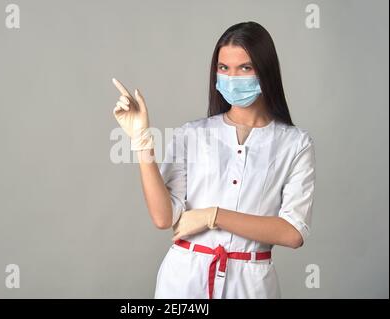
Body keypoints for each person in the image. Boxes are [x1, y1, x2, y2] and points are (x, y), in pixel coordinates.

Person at [111, 21, 316, 299]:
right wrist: (141, 139)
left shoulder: (295, 143)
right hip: (183, 280)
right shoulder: (191, 134)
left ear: (265, 71)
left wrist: (213, 216)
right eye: (224, 68)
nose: (233, 77)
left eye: (245, 68)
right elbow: (163, 217)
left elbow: (292, 233)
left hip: (251, 284)